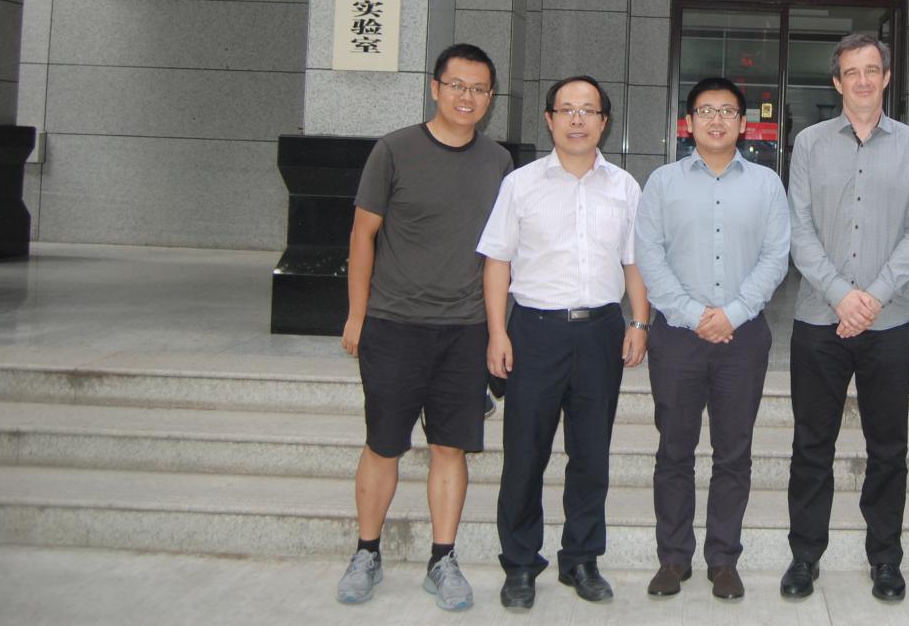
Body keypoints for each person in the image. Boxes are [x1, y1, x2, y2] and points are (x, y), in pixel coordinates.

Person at [336, 43, 512, 611]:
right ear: (435, 87)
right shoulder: (393, 151)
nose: (467, 97)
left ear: (490, 99)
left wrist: (496, 330)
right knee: (383, 445)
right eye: (457, 85)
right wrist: (357, 315)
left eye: (479, 89)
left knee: (449, 448)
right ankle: (367, 551)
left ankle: (443, 559)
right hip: (393, 324)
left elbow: (501, 255)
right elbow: (362, 236)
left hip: (464, 330)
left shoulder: (498, 163)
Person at [477, 75, 650, 611]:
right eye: (567, 110)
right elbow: (497, 260)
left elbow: (634, 260)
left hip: (600, 331)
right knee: (525, 454)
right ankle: (521, 564)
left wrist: (638, 322)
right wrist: (498, 332)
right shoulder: (520, 184)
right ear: (549, 119)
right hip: (535, 331)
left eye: (588, 111)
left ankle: (582, 558)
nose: (577, 119)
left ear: (604, 122)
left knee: (591, 454)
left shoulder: (624, 186)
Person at [781, 33, 909, 603]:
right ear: (837, 82)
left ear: (886, 78)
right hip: (820, 320)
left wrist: (870, 297)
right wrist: (843, 296)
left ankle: (885, 561)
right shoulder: (811, 143)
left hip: (890, 323)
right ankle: (804, 556)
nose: (863, 81)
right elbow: (800, 231)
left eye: (873, 70)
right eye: (852, 72)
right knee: (811, 445)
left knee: (888, 448)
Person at [633, 77, 791, 601]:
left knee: (733, 453)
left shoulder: (767, 184)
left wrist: (734, 313)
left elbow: (776, 256)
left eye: (727, 111)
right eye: (705, 111)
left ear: (744, 123)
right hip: (677, 337)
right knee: (674, 451)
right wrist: (692, 313)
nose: (716, 120)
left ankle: (724, 559)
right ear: (689, 122)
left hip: (742, 337)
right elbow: (648, 254)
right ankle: (673, 558)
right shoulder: (662, 183)